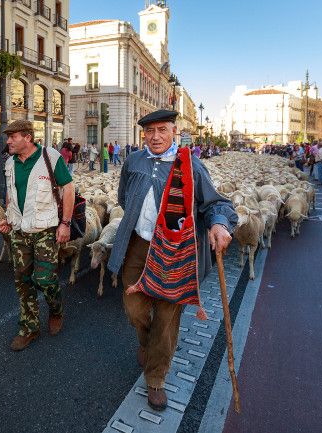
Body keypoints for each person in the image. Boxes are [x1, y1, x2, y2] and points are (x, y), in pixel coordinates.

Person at [109, 109, 236, 411]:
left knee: (166, 318)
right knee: (134, 310)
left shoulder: (190, 164)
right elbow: (123, 197)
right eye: (149, 131)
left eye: (161, 130)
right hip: (138, 246)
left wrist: (219, 223)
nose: (155, 136)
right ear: (143, 134)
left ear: (173, 131)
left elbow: (215, 203)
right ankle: (147, 342)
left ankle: (156, 378)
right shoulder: (133, 161)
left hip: (175, 253)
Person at [0, 120, 74, 351]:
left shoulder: (49, 157)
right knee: (23, 280)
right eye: (8, 137)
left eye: (13, 136)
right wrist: (8, 219)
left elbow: (68, 188)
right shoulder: (10, 163)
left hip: (45, 229)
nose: (8, 141)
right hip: (19, 230)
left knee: (45, 279)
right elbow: (11, 193)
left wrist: (65, 224)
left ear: (27, 137)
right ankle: (29, 328)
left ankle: (56, 309)